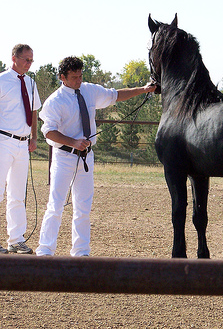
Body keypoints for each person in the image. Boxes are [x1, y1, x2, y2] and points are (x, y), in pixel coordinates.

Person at [36, 56, 156, 257]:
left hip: (86, 158)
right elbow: (48, 132)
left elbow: (115, 95)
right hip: (64, 158)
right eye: (74, 77)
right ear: (62, 77)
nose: (78, 80)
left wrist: (143, 90)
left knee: (83, 207)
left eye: (81, 76)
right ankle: (45, 251)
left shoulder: (89, 90)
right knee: (56, 205)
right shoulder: (54, 102)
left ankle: (81, 251)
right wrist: (73, 142)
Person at [0, 44, 41, 254]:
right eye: (26, 59)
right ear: (14, 58)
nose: (29, 63)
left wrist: (34, 137)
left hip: (22, 143)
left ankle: (16, 239)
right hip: (2, 140)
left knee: (17, 193)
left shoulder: (31, 83)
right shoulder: (1, 80)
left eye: (32, 60)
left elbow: (33, 111)